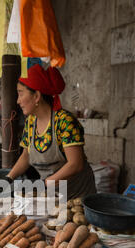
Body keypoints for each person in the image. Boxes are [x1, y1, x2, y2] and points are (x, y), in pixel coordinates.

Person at [6, 64, 96, 200]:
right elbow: (26, 156)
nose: (18, 101)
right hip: (53, 195)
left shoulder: (64, 121)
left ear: (36, 96)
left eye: (20, 93)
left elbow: (75, 164)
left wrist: (45, 183)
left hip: (77, 197)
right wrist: (9, 178)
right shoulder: (31, 122)